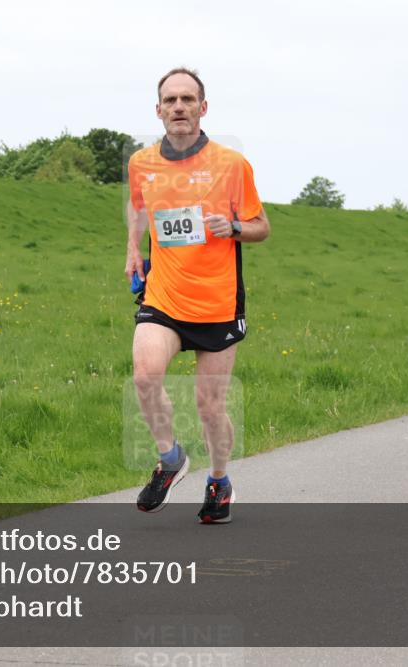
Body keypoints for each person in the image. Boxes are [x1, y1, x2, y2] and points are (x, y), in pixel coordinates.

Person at [126, 67, 270, 524]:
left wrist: (233, 228)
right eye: (170, 101)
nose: (179, 108)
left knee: (210, 406)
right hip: (164, 296)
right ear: (159, 110)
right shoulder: (142, 163)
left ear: (203, 108)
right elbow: (138, 206)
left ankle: (220, 480)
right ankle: (170, 460)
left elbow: (261, 227)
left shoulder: (232, 165)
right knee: (146, 376)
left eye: (188, 100)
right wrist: (133, 248)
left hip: (217, 302)